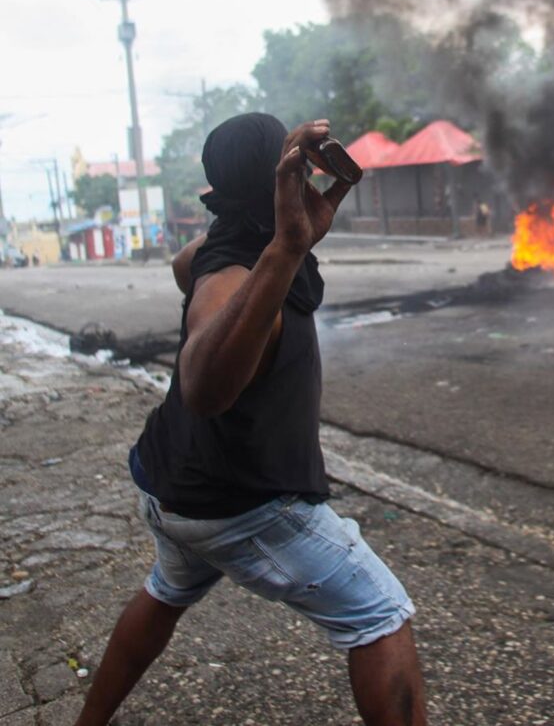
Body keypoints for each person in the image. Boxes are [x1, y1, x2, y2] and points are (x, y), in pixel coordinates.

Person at [75, 114, 427, 726]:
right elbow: (205, 389)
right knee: (379, 615)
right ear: (279, 182)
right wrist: (287, 245)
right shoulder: (242, 274)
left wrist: (284, 233)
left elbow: (186, 265)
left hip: (170, 485)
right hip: (236, 506)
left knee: (167, 590)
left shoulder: (223, 246)